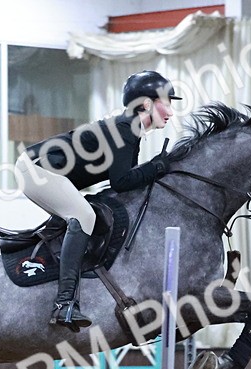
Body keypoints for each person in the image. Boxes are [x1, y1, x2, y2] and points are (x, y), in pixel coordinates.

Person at [16, 70, 180, 331]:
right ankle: (64, 303)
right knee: (84, 217)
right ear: (147, 103)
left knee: (85, 214)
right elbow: (122, 182)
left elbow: (125, 184)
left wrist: (155, 168)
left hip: (41, 169)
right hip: (36, 169)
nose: (171, 111)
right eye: (167, 102)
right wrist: (158, 166)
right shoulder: (127, 129)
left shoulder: (130, 129)